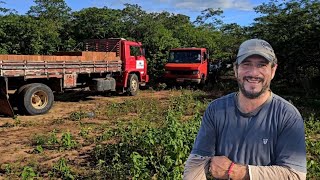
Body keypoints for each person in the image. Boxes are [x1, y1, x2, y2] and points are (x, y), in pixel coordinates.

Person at [183, 39, 307, 180]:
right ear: (236, 69)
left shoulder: (288, 116)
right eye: (246, 64)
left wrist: (236, 171)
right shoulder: (216, 110)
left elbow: (295, 175)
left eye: (262, 65)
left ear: (273, 71)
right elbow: (197, 162)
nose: (254, 73)